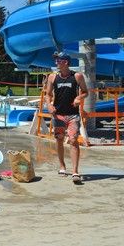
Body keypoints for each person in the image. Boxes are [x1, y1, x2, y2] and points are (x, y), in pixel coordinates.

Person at [45, 52, 88, 184]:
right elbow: (48, 95)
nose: (56, 62)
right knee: (59, 140)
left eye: (59, 60)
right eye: (56, 60)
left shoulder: (77, 76)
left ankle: (75, 171)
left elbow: (85, 92)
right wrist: (49, 105)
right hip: (58, 115)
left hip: (72, 115)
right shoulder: (52, 77)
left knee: (74, 140)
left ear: (66, 62)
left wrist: (79, 98)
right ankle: (62, 166)